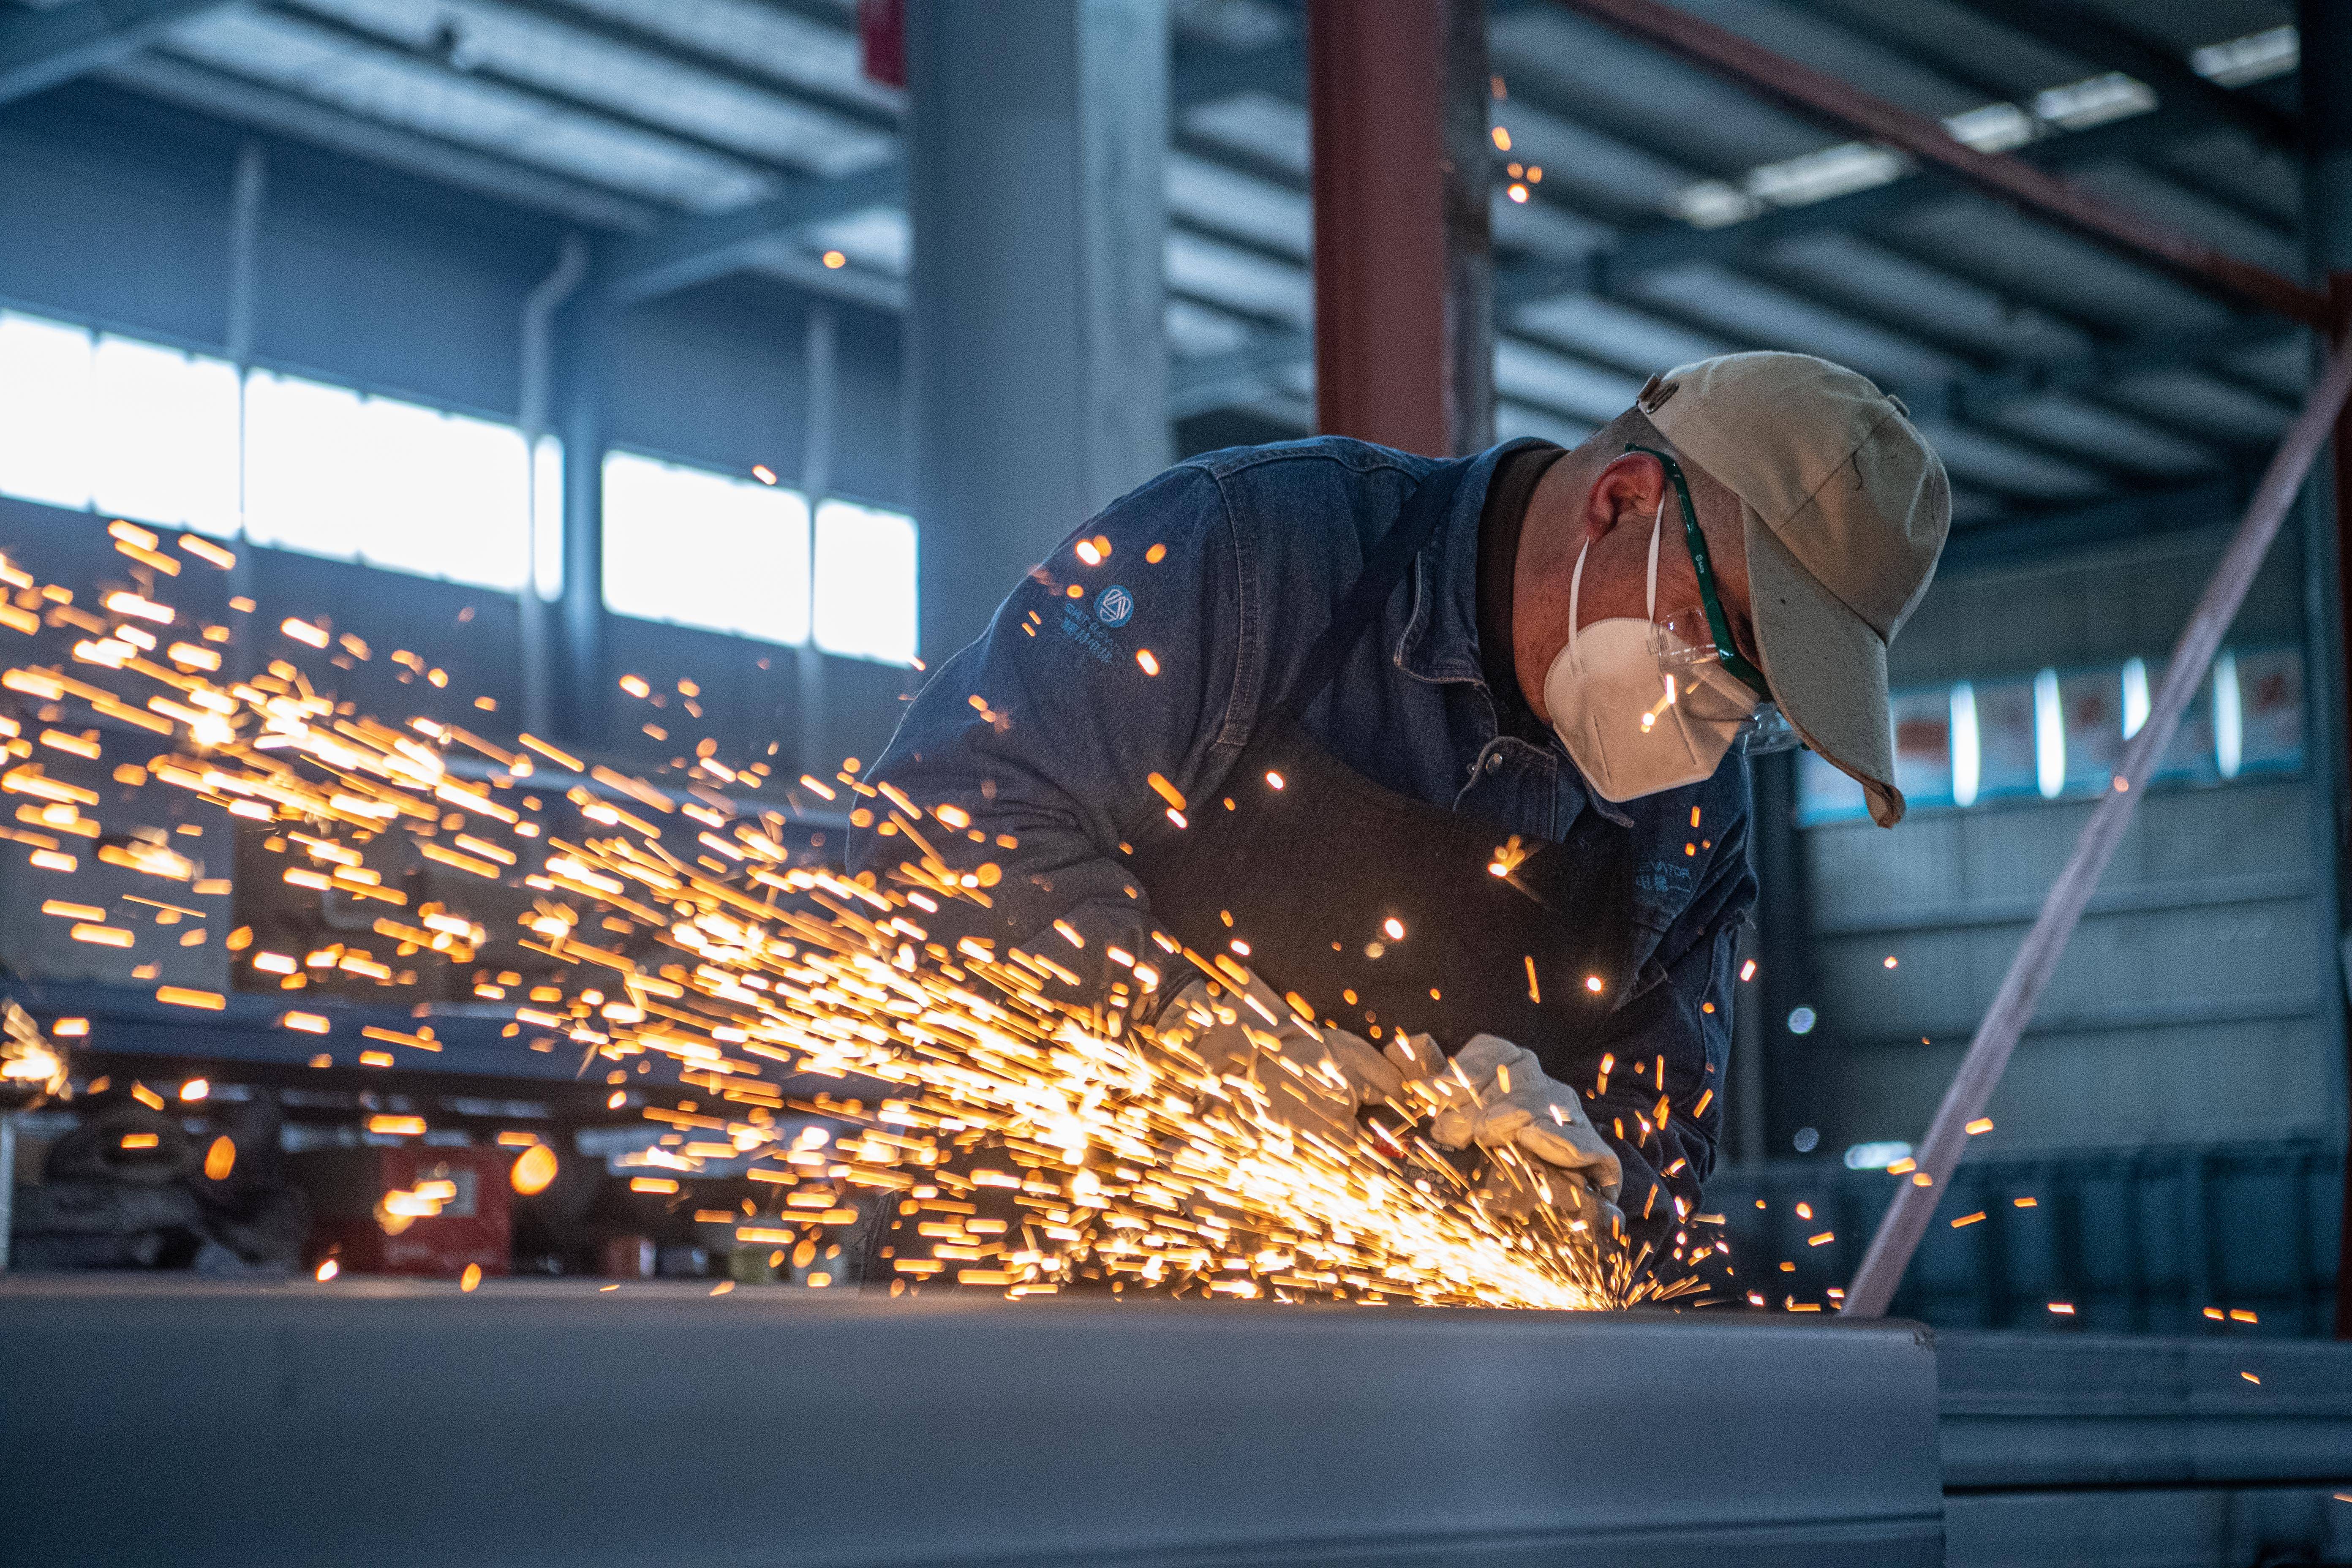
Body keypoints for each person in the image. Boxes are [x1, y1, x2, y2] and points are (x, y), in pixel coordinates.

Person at [849, 351, 1949, 1284]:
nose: (1719, 727)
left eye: (1762, 711)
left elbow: (1655, 1165)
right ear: (1622, 504)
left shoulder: (1691, 821)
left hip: (1351, 1401)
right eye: (1730, 648)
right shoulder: (1253, 549)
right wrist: (1185, 1032)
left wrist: (1579, 1200)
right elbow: (934, 826)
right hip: (1013, 1296)